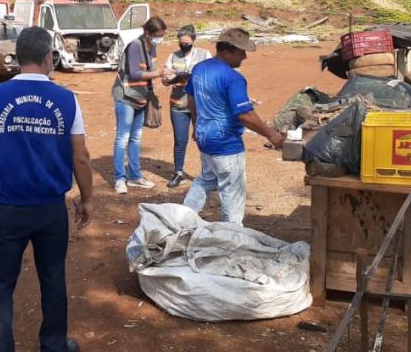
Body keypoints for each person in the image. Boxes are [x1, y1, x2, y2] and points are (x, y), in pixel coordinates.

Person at [0, 26, 93, 352]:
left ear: (18, 57)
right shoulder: (67, 99)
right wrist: (87, 199)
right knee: (53, 279)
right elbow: (80, 156)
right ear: (49, 57)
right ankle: (53, 350)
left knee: (1, 287)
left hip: (7, 208)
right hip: (50, 208)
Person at [182, 28, 285, 225]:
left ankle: (179, 220)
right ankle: (232, 232)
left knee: (206, 179)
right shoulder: (233, 78)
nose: (244, 57)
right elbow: (244, 114)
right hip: (226, 143)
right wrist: (271, 135)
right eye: (241, 52)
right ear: (227, 51)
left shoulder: (199, 68)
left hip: (205, 138)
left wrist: (196, 125)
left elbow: (191, 100)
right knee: (232, 192)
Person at [111, 16, 167, 194]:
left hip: (141, 97)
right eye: (157, 35)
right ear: (148, 33)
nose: (160, 38)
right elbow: (135, 73)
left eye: (162, 35)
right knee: (123, 138)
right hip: (126, 97)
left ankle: (134, 176)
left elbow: (151, 70)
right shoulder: (135, 46)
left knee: (136, 138)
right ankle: (120, 178)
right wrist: (158, 73)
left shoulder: (152, 47)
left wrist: (166, 74)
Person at [161, 24, 211, 188]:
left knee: (203, 139)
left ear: (194, 40)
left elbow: (211, 78)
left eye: (187, 43)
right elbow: (164, 80)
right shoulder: (172, 56)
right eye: (181, 43)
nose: (184, 46)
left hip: (200, 105)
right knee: (180, 140)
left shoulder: (205, 55)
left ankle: (208, 173)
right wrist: (170, 79)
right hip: (178, 105)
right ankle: (179, 173)